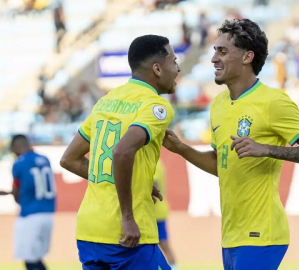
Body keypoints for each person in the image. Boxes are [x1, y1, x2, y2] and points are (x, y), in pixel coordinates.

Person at [163, 19, 299, 270]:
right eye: (214, 51)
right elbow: (222, 164)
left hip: (262, 234)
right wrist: (182, 149)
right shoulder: (218, 104)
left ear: (247, 57)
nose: (213, 59)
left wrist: (268, 149)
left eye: (222, 51)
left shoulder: (273, 102)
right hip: (231, 234)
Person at [60, 35, 180, 270]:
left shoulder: (106, 101)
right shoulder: (156, 106)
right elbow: (122, 152)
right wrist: (127, 217)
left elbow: (69, 159)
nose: (177, 69)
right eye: (174, 61)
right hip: (127, 236)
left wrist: (135, 182)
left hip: (89, 231)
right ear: (157, 69)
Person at [0, 134, 56, 270]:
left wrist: (9, 193)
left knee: (30, 261)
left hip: (30, 214)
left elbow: (17, 195)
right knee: (37, 259)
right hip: (48, 214)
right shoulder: (44, 159)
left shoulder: (19, 163)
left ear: (16, 147)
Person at [153, 160, 179, 270]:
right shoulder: (158, 163)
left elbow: (153, 187)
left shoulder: (153, 163)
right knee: (163, 245)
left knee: (162, 244)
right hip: (158, 211)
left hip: (155, 213)